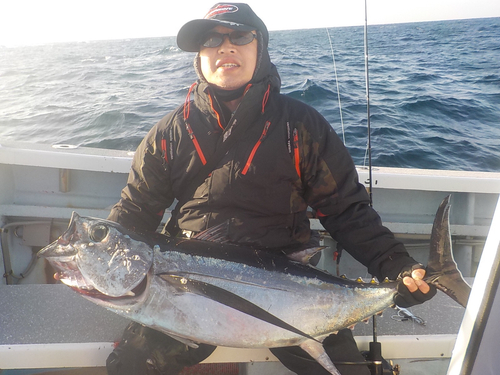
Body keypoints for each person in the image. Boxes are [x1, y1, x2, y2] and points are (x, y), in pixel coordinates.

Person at [105, 3, 436, 375]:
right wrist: (89, 260)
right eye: (212, 39)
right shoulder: (168, 134)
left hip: (290, 286)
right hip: (193, 284)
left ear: (260, 48)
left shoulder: (301, 125)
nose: (225, 47)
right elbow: (134, 214)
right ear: (199, 58)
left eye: (240, 36)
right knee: (130, 367)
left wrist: (396, 265)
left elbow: (345, 210)